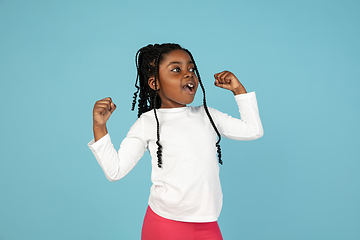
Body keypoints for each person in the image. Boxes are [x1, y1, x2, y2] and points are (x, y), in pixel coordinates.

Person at [88, 43, 263, 240]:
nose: (189, 74)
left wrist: (238, 90)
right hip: (164, 224)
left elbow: (253, 130)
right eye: (176, 69)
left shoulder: (208, 115)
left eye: (191, 68)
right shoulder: (148, 122)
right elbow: (115, 170)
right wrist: (99, 127)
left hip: (208, 223)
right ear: (155, 83)